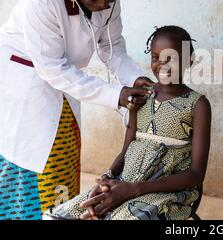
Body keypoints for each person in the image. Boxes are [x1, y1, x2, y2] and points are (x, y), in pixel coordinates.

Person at [0, 0, 153, 220]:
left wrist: (133, 79)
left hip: (64, 80)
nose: (103, 4)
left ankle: (61, 214)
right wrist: (115, 95)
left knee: (64, 152)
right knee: (31, 158)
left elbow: (112, 47)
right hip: (26, 79)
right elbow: (51, 68)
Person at [46, 26, 212, 220]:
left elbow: (195, 174)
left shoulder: (197, 105)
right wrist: (106, 181)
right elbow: (126, 150)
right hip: (125, 182)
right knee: (61, 215)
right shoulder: (141, 96)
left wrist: (134, 190)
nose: (161, 65)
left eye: (171, 58)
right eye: (156, 57)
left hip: (169, 193)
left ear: (189, 60)